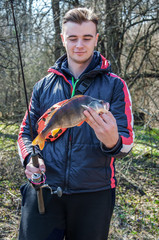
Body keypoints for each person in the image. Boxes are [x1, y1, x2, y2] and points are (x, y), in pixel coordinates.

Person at [17, 7, 134, 240]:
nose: (79, 45)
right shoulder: (43, 85)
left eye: (87, 38)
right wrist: (30, 159)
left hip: (94, 194)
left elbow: (127, 144)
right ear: (63, 39)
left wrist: (112, 139)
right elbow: (25, 133)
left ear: (96, 39)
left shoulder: (115, 86)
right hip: (45, 189)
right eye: (72, 38)